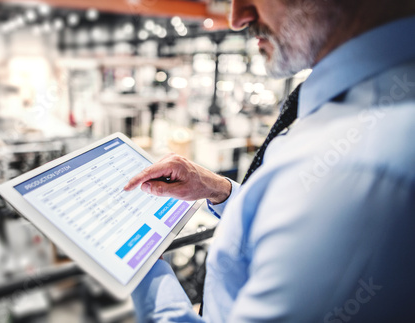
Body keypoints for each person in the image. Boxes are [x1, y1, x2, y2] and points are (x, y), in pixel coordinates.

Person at [125, 0, 415, 321]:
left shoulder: (358, 169)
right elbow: (296, 227)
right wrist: (220, 190)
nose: (237, 18)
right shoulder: (358, 103)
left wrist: (141, 263)